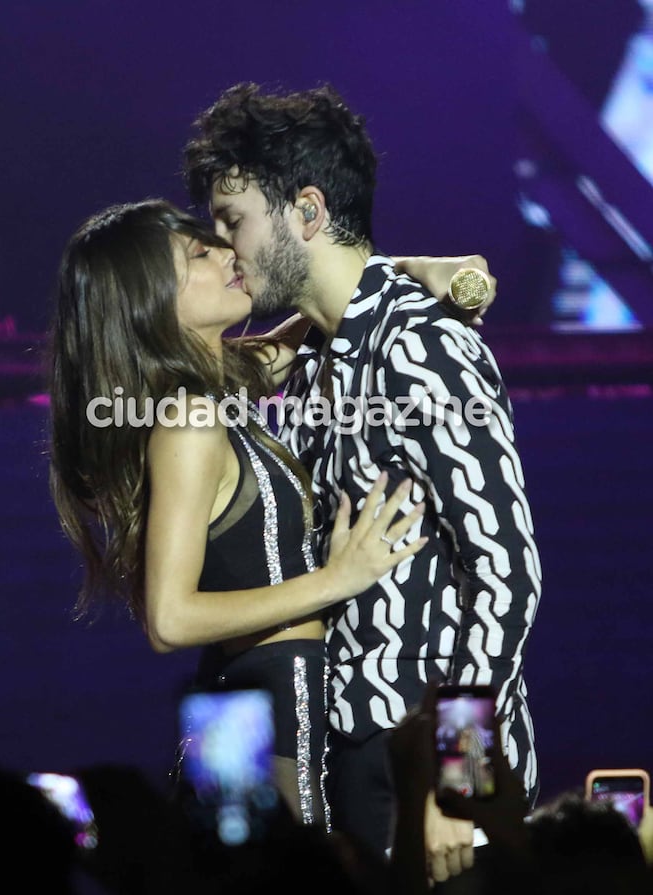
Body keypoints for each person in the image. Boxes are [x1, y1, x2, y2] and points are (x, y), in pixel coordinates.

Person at [184, 82, 542, 868]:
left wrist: (459, 779)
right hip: (350, 745)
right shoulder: (312, 354)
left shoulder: (420, 346)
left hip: (427, 749)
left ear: (305, 213)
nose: (224, 248)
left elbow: (506, 570)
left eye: (233, 221)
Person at [48, 198, 428, 826]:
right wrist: (335, 581)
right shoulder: (189, 422)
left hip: (251, 697)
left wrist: (426, 272)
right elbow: (169, 618)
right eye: (200, 253)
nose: (229, 252)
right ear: (150, 299)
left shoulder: (207, 393)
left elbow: (308, 323)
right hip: (271, 700)